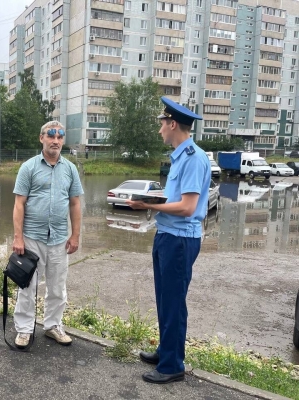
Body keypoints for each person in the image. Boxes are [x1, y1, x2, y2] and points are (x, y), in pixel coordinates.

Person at [126, 97, 210, 384]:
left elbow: (187, 207)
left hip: (179, 240)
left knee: (173, 302)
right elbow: (176, 200)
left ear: (172, 123)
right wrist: (154, 201)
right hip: (167, 235)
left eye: (162, 124)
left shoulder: (193, 158)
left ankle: (173, 365)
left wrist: (149, 206)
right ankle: (166, 351)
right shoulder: (179, 157)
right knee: (165, 299)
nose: (160, 129)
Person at [12, 120, 83, 349]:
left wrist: (75, 236)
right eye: (51, 136)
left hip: (60, 239)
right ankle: (24, 329)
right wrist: (18, 237)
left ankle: (53, 325)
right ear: (41, 138)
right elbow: (19, 204)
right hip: (32, 238)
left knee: (57, 286)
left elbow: (75, 204)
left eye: (60, 136)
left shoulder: (70, 169)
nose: (56, 140)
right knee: (28, 285)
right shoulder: (29, 167)